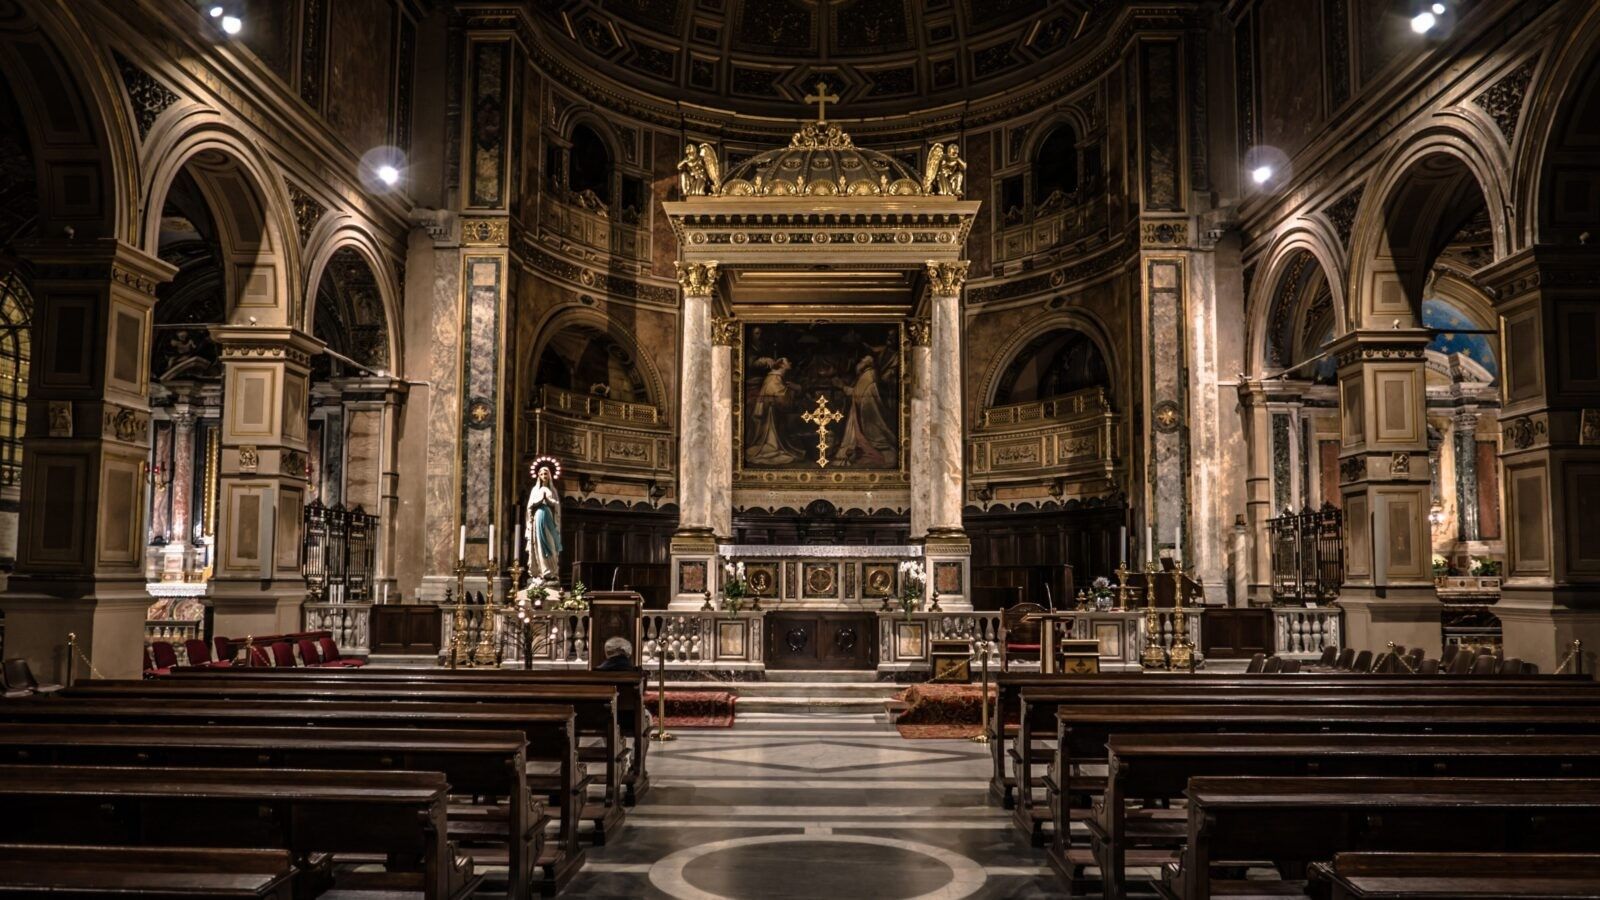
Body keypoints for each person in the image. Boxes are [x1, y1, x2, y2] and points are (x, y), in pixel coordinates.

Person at [525, 462, 562, 582]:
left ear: (549, 475)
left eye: (546, 473)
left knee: (551, 543)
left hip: (549, 517)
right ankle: (542, 570)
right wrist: (540, 500)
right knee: (539, 543)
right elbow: (530, 506)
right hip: (538, 516)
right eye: (541, 473)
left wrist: (549, 500)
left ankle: (551, 571)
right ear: (538, 476)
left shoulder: (553, 490)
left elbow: (557, 506)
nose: (544, 475)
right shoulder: (535, 490)